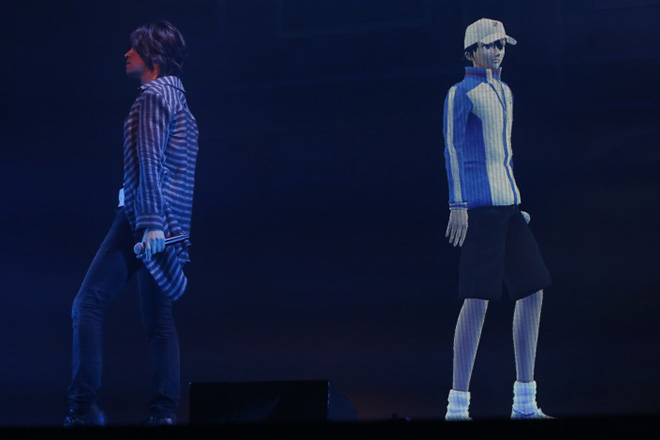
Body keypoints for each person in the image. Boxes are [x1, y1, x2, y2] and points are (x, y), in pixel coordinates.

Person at [64, 19, 199, 426]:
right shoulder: (181, 102)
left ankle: (83, 409)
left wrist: (151, 221)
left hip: (144, 219)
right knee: (159, 321)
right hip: (166, 224)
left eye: (135, 48)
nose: (126, 54)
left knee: (87, 304)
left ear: (153, 57)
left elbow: (150, 160)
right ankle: (164, 415)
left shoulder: (153, 97)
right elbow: (178, 174)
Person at [442, 18, 554, 421]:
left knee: (533, 290)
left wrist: (515, 200)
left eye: (501, 45)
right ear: (471, 51)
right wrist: (458, 204)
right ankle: (457, 407)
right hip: (480, 209)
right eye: (490, 45)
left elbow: (504, 153)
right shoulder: (460, 93)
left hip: (509, 206)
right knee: (477, 299)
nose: (497, 52)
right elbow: (452, 149)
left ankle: (524, 401)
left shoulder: (505, 91)